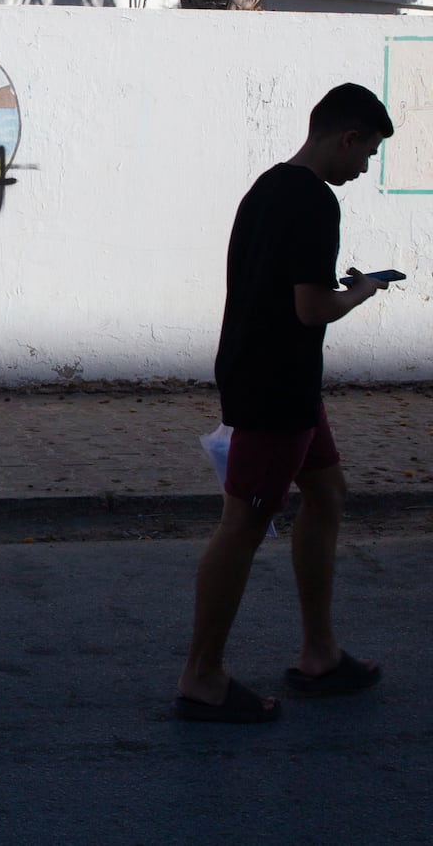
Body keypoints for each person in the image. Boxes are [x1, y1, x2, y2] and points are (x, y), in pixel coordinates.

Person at [175, 82, 393, 723]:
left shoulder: (267, 187)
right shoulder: (316, 202)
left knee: (327, 495)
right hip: (277, 386)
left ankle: (320, 651)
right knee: (241, 523)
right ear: (346, 137)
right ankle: (202, 675)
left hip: (273, 377)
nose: (363, 168)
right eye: (367, 154)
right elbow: (312, 307)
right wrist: (364, 291)